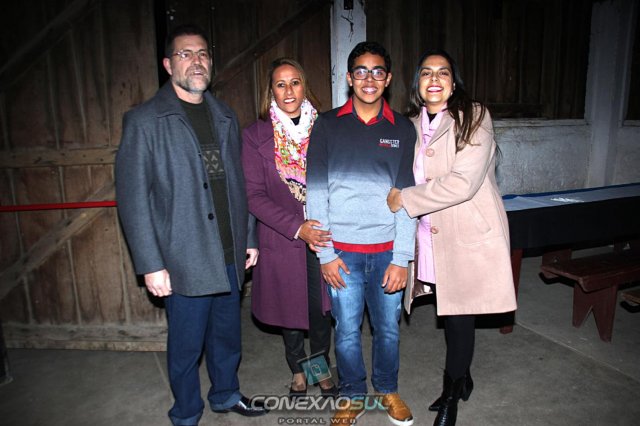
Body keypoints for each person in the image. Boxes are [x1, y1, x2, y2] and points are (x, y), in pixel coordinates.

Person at [115, 24, 267, 425]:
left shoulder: (225, 115)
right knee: (186, 347)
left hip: (229, 251)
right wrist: (151, 264)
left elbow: (240, 183)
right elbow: (132, 199)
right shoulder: (145, 121)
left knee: (227, 336)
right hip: (182, 258)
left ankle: (225, 394)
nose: (196, 61)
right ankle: (185, 413)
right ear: (168, 65)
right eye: (185, 54)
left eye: (202, 54)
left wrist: (249, 236)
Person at [386, 49, 517, 426]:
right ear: (417, 85)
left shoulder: (474, 116)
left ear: (453, 83)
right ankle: (465, 377)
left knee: (459, 316)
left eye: (442, 72)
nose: (434, 79)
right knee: (451, 310)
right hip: (429, 235)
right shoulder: (408, 125)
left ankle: (451, 396)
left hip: (465, 233)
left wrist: (405, 198)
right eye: (426, 73)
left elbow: (464, 182)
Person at [306, 41, 416, 426]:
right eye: (361, 71)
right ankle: (352, 395)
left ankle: (387, 389)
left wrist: (402, 258)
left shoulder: (402, 128)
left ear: (388, 79)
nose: (370, 79)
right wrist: (325, 255)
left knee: (388, 330)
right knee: (347, 332)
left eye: (378, 71)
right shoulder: (327, 125)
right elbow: (316, 194)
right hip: (342, 254)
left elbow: (407, 197)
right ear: (350, 78)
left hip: (387, 252)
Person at [241, 58, 338, 398]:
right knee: (289, 308)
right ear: (271, 90)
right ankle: (297, 369)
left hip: (324, 233)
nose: (288, 91)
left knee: (320, 308)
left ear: (304, 86)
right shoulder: (254, 136)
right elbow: (253, 195)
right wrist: (298, 227)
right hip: (282, 236)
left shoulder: (326, 128)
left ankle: (319, 368)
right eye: (280, 84)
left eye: (294, 82)